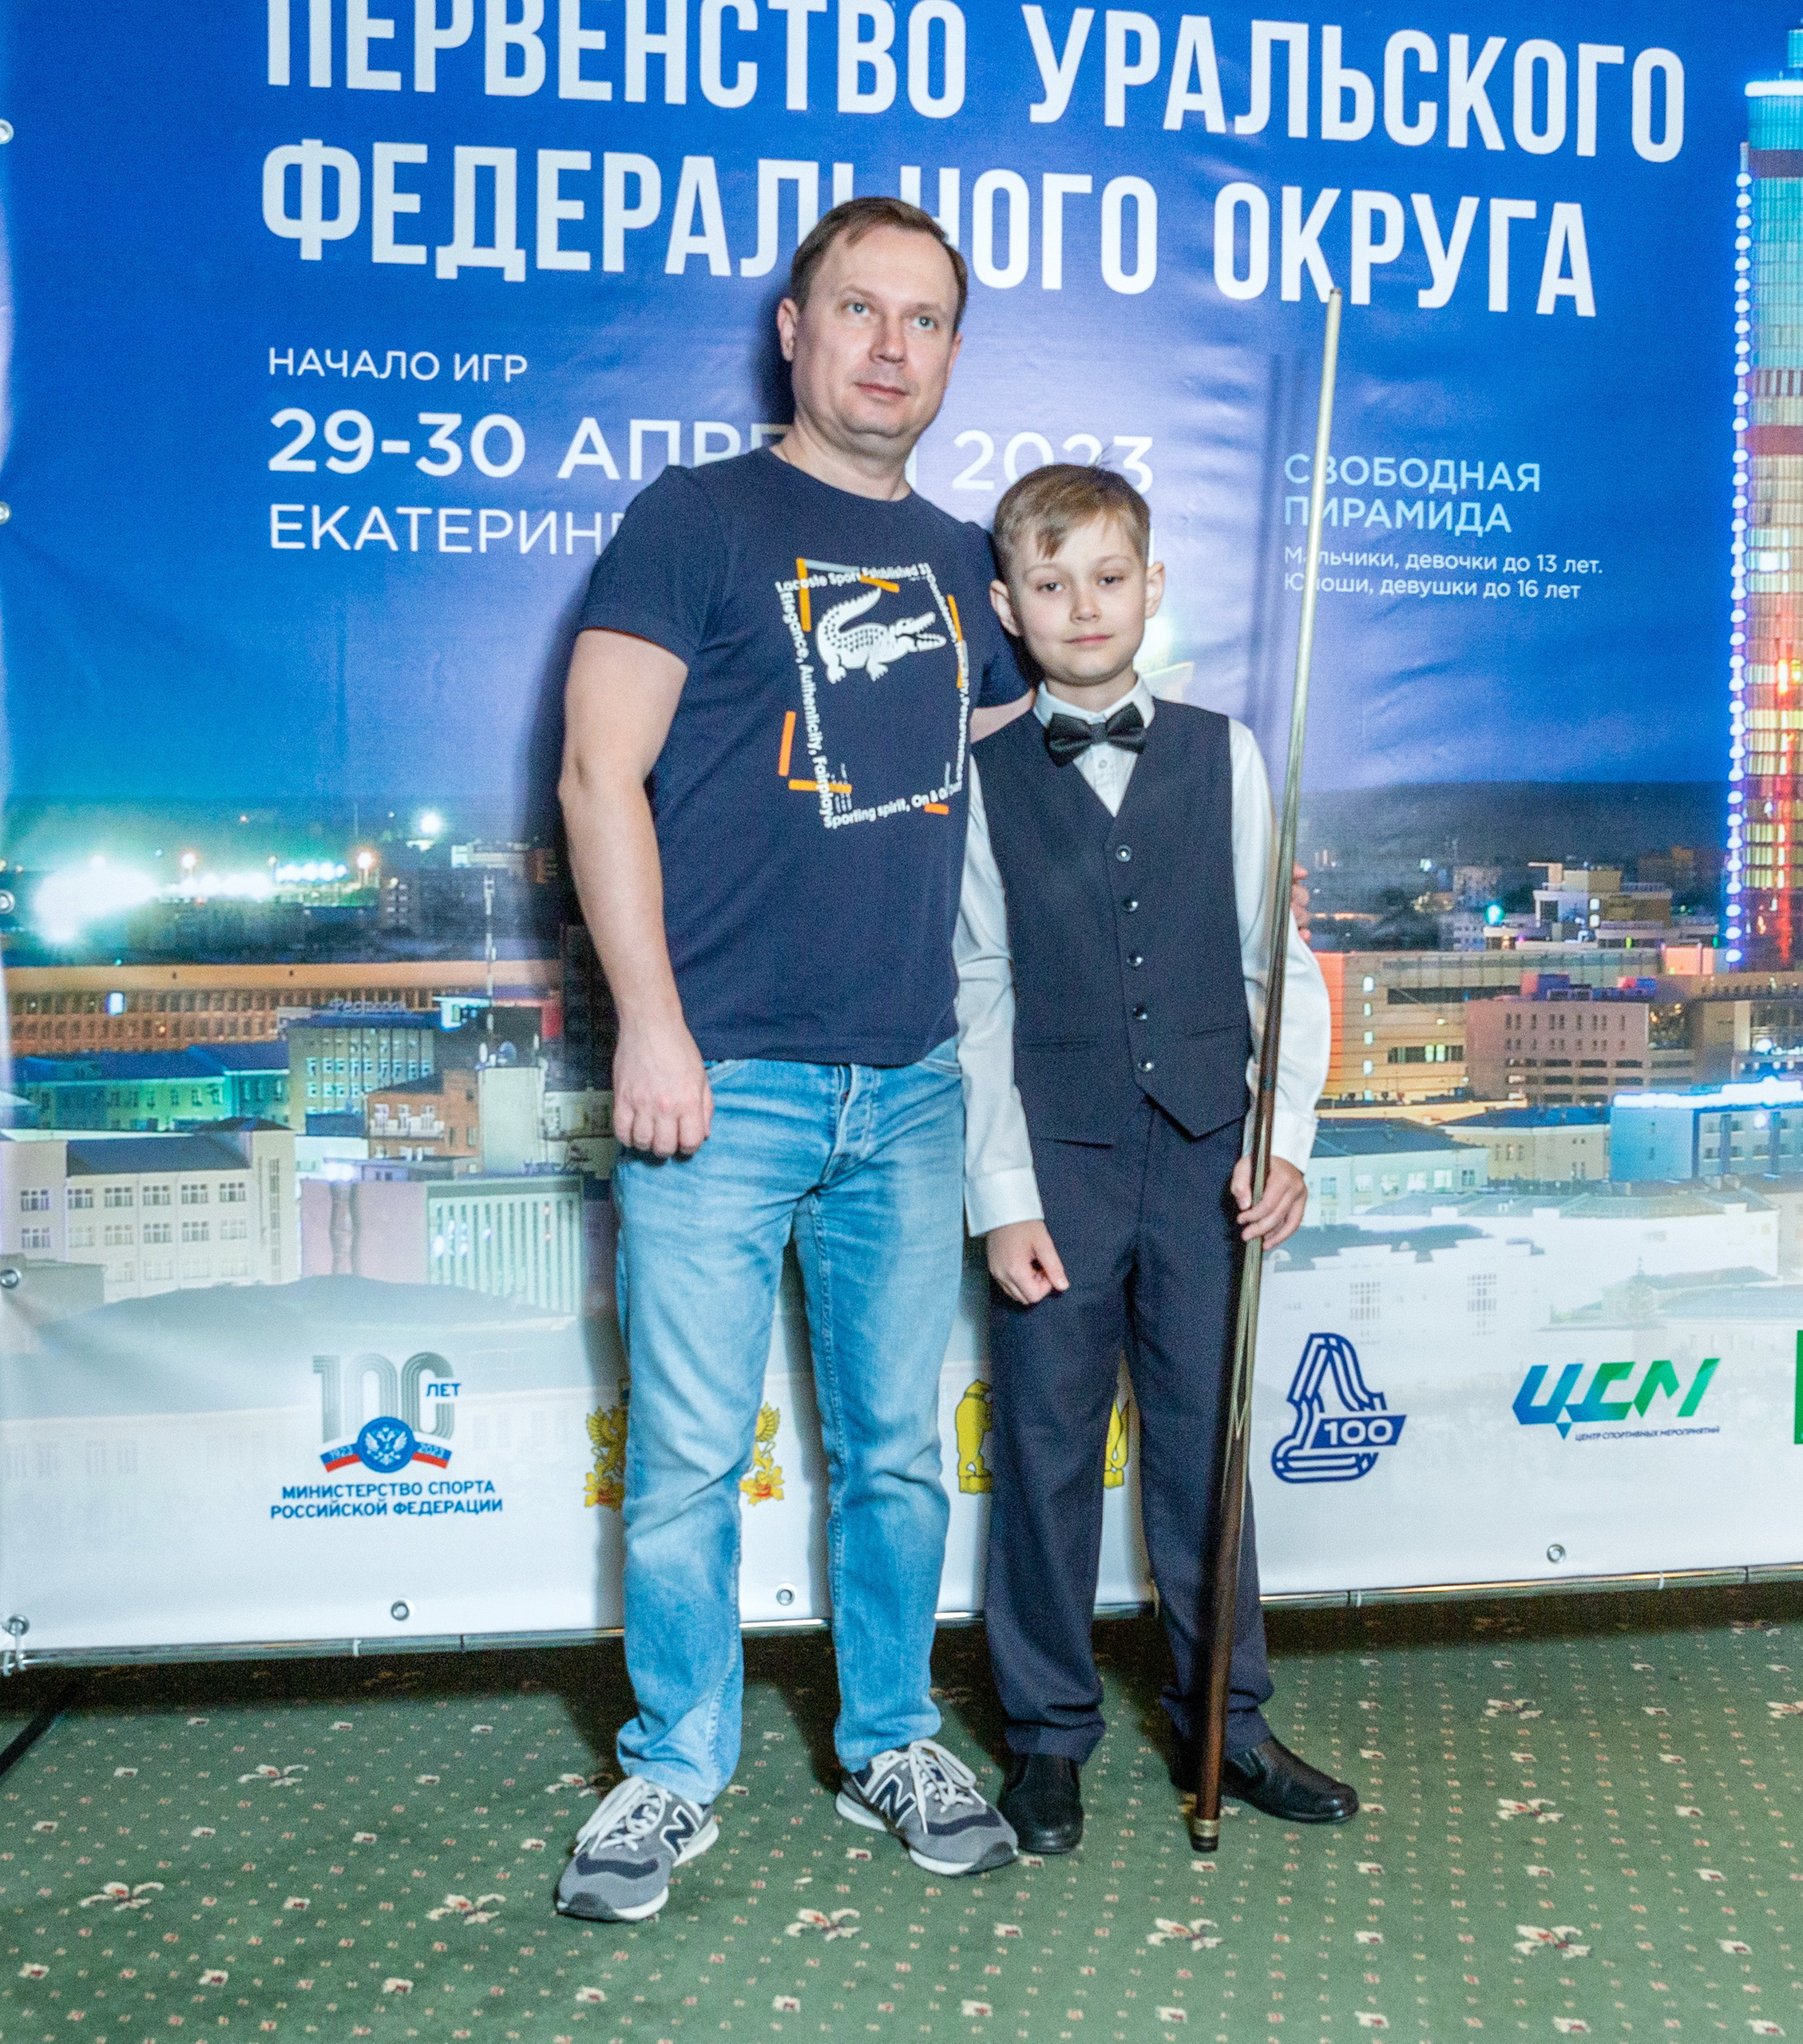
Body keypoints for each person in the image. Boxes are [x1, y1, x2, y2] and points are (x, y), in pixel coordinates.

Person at [553, 197, 1028, 1925]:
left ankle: (890, 1737)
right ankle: (672, 1767)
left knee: (896, 1455)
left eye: (926, 319)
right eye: (859, 309)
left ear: (950, 351)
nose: (891, 347)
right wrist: (654, 1024)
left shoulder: (967, 563)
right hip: (721, 1078)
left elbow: (1016, 772)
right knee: (687, 1460)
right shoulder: (695, 519)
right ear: (794, 326)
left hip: (908, 1084)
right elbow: (597, 776)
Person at [954, 462, 1359, 1856]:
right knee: (1045, 1454)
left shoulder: (1224, 753)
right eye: (1050, 583)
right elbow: (977, 995)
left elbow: (1272, 967)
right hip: (1056, 1169)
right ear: (1007, 606)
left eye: (1108, 578)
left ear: (1152, 588)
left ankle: (1225, 1726)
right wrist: (1001, 1196)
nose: (1083, 606)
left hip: (1204, 1163)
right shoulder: (980, 779)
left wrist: (1280, 1138)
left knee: (1206, 1451)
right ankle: (1045, 1738)